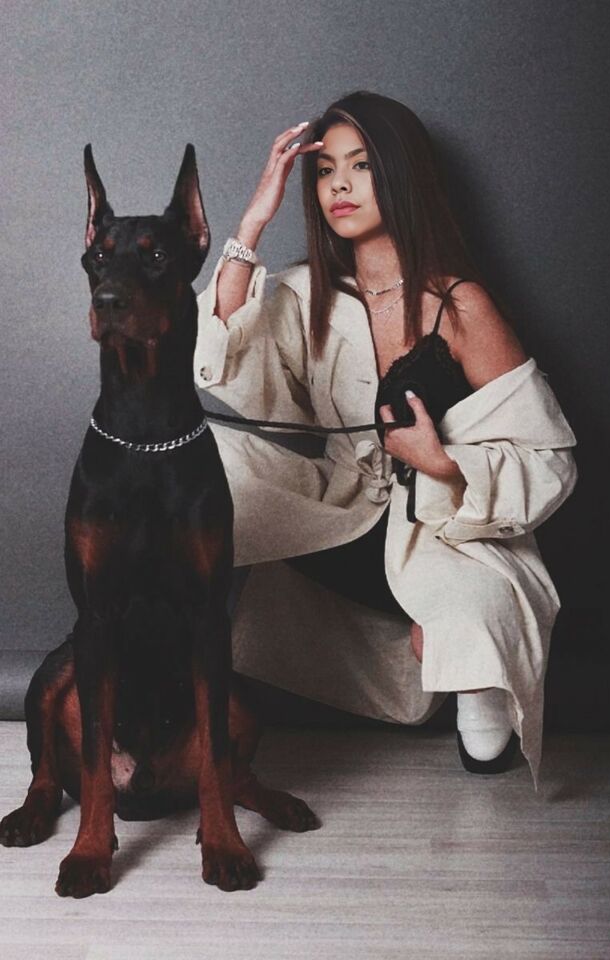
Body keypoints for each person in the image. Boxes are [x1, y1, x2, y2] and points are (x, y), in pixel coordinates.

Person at [194, 90, 577, 789]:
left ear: (400, 174)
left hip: (441, 528)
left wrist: (443, 462)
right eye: (325, 170)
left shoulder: (459, 302)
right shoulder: (305, 294)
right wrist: (253, 220)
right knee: (194, 461)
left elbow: (549, 457)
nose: (338, 185)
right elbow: (223, 356)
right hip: (336, 519)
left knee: (482, 725)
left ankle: (463, 659)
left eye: (361, 166)